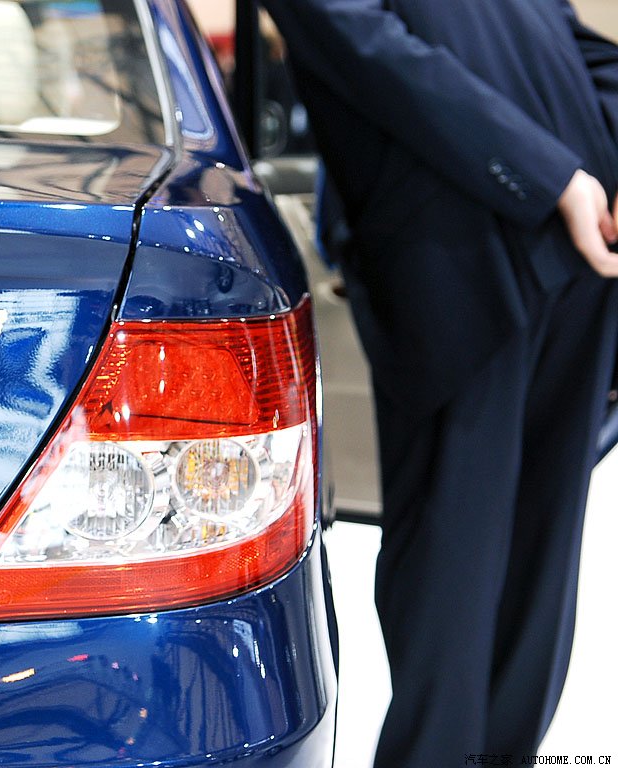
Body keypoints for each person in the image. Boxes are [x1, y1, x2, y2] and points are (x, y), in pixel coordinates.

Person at [256, 0, 618, 763]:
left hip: (578, 247)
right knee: (455, 547)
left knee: (542, 552)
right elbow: (361, 41)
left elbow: (564, 38)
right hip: (456, 253)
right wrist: (550, 175)